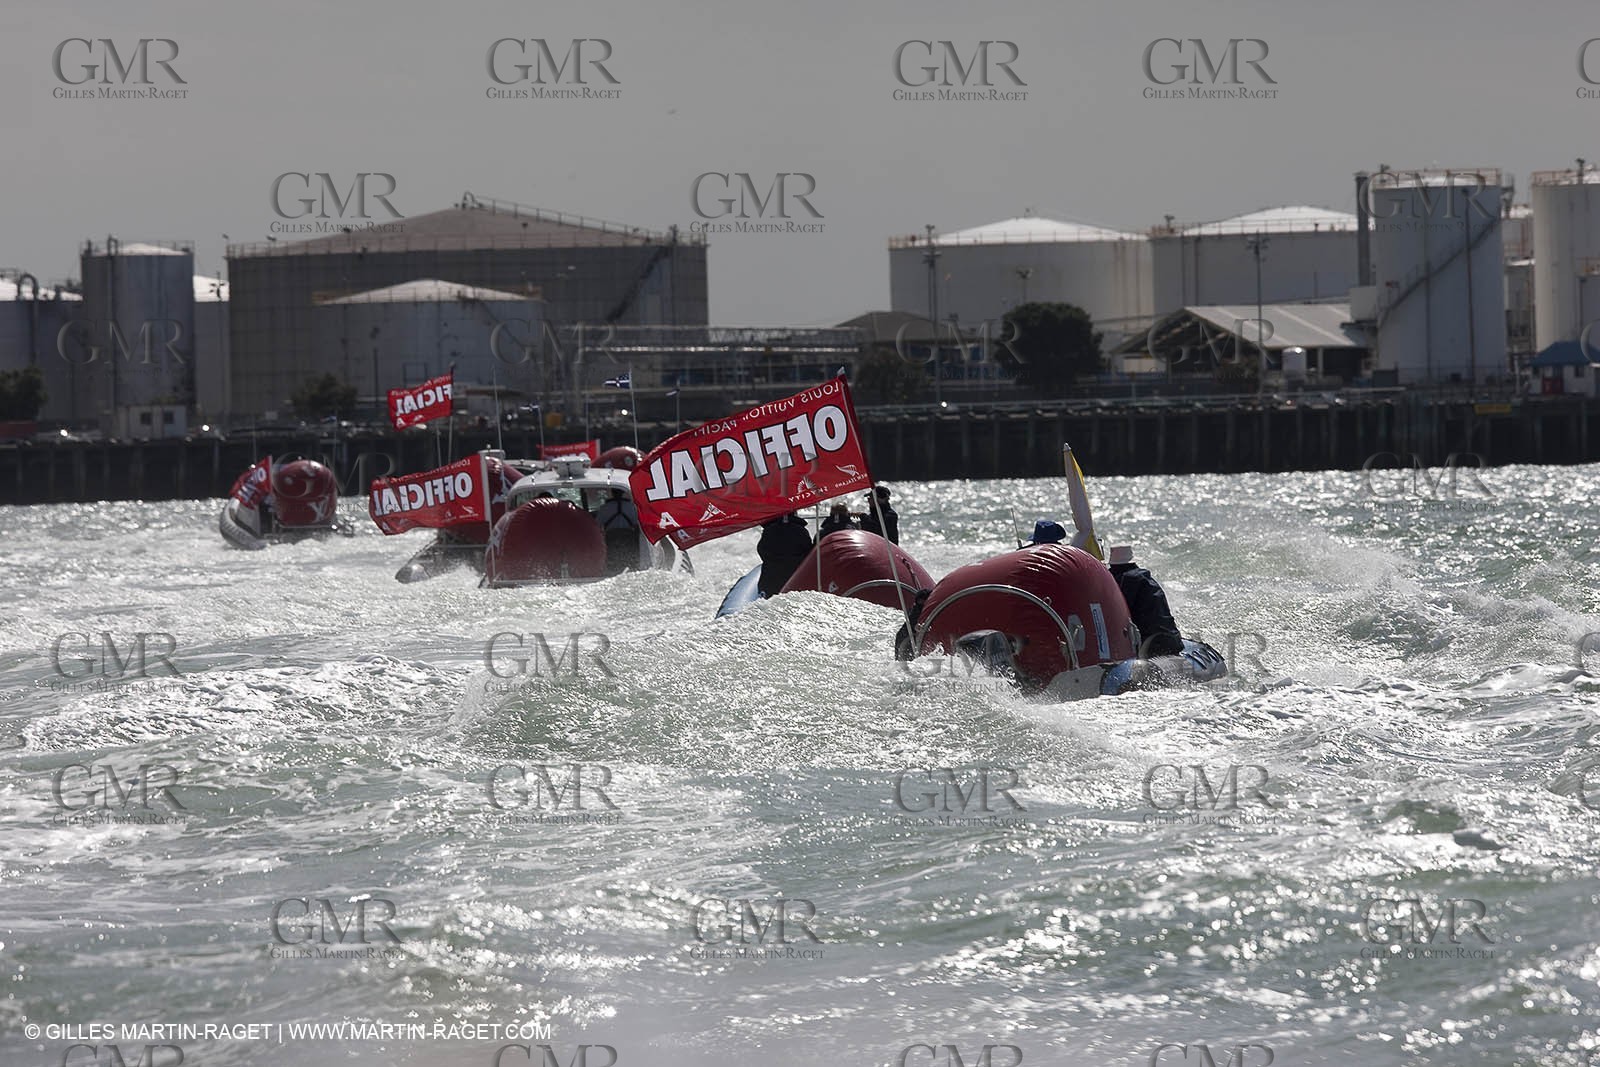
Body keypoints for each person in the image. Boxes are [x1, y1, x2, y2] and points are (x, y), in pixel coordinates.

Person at [1107, 545, 1184, 656]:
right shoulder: (1145, 578)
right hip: (1173, 640)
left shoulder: (1125, 581)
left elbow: (1119, 617)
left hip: (1153, 646)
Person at [756, 512, 814, 598]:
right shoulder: (801, 531)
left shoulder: (769, 531)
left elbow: (762, 551)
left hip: (770, 582)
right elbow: (809, 553)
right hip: (795, 580)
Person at [595, 488, 641, 574]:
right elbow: (638, 524)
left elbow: (597, 525)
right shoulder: (632, 507)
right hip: (628, 538)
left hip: (611, 539)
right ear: (623, 493)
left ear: (612, 493)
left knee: (612, 563)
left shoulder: (604, 508)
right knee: (630, 562)